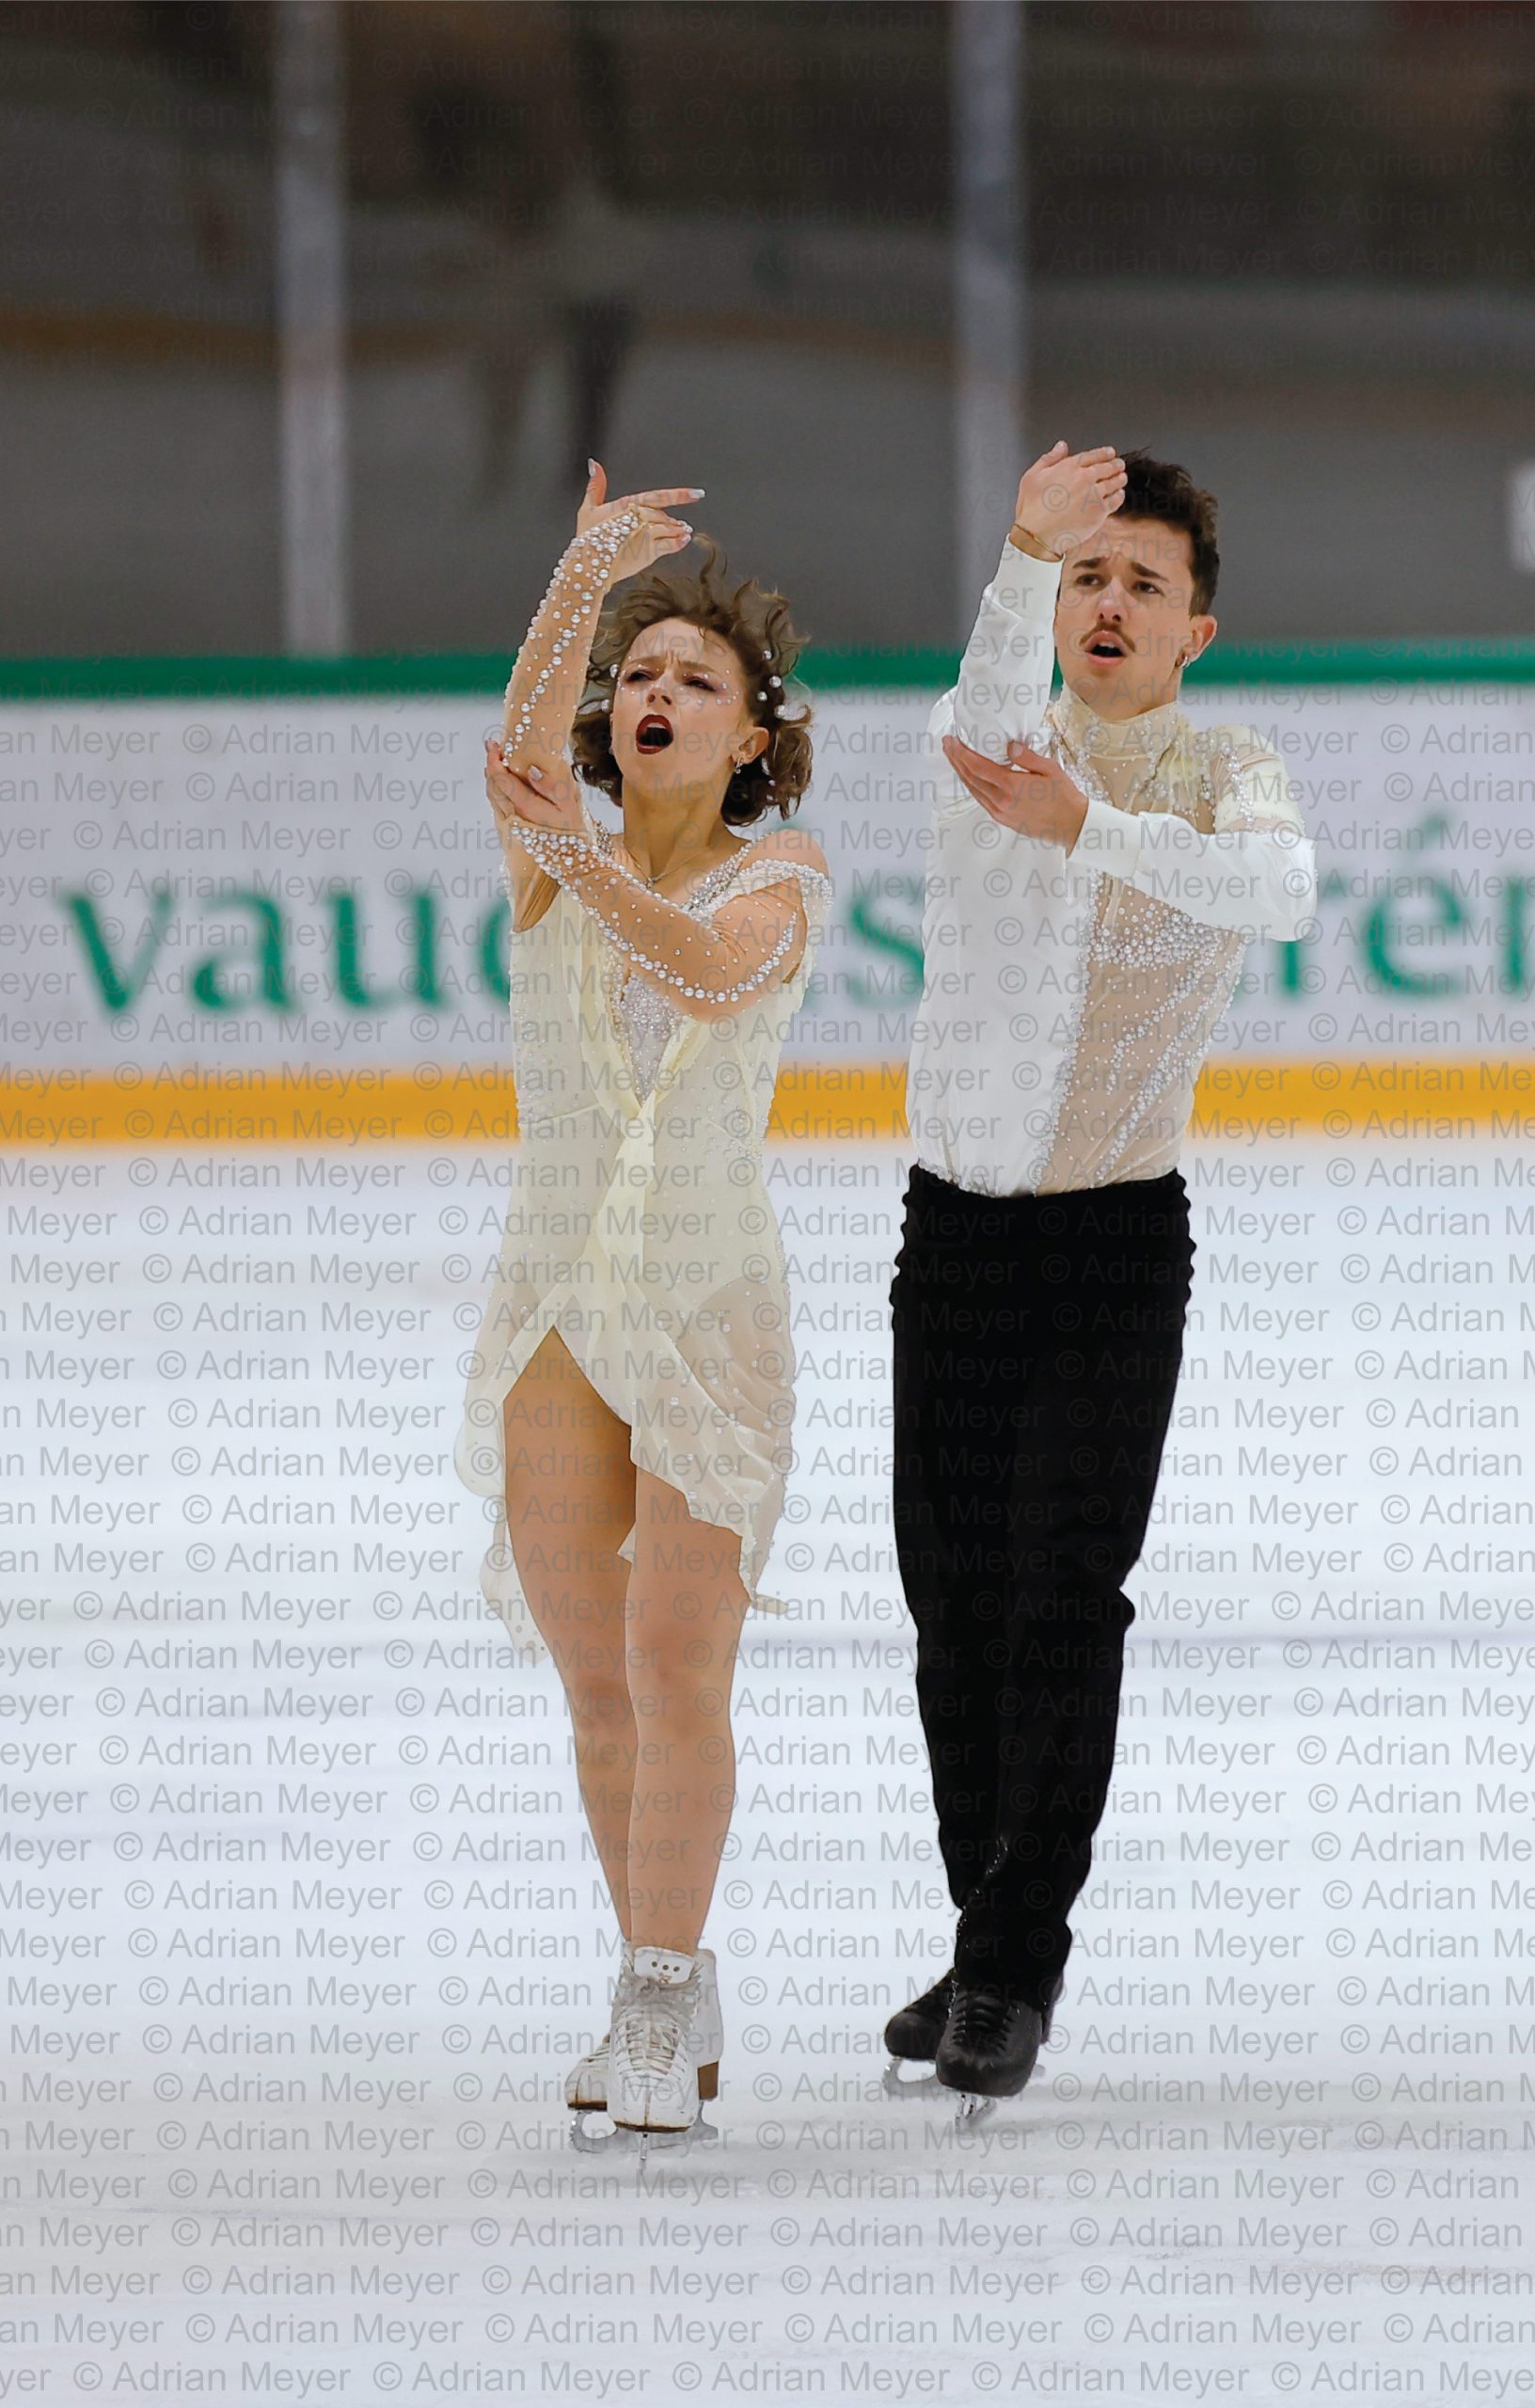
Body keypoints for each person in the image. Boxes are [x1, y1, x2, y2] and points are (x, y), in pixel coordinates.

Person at [887, 443, 1316, 2099]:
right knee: (954, 1613)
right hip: (957, 1241)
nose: (1110, 604)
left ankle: (1010, 1973)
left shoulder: (1228, 772)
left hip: (1116, 1242)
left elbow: (1279, 893)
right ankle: (983, 1931)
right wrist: (1014, 548)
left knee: (1066, 1602)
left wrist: (1104, 828)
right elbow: (995, 680)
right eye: (1089, 578)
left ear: (1198, 627)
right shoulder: (987, 751)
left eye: (1144, 582)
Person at [454, 464, 832, 2133]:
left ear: (752, 732)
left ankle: (657, 2001)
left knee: (679, 1665)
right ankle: (660, 1967)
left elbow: (710, 968)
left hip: (705, 1311)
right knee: (595, 1677)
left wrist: (584, 863)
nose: (658, 695)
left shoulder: (782, 872)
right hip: (552, 1311)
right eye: (641, 676)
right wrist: (585, 574)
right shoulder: (552, 858)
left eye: (699, 679)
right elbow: (530, 747)